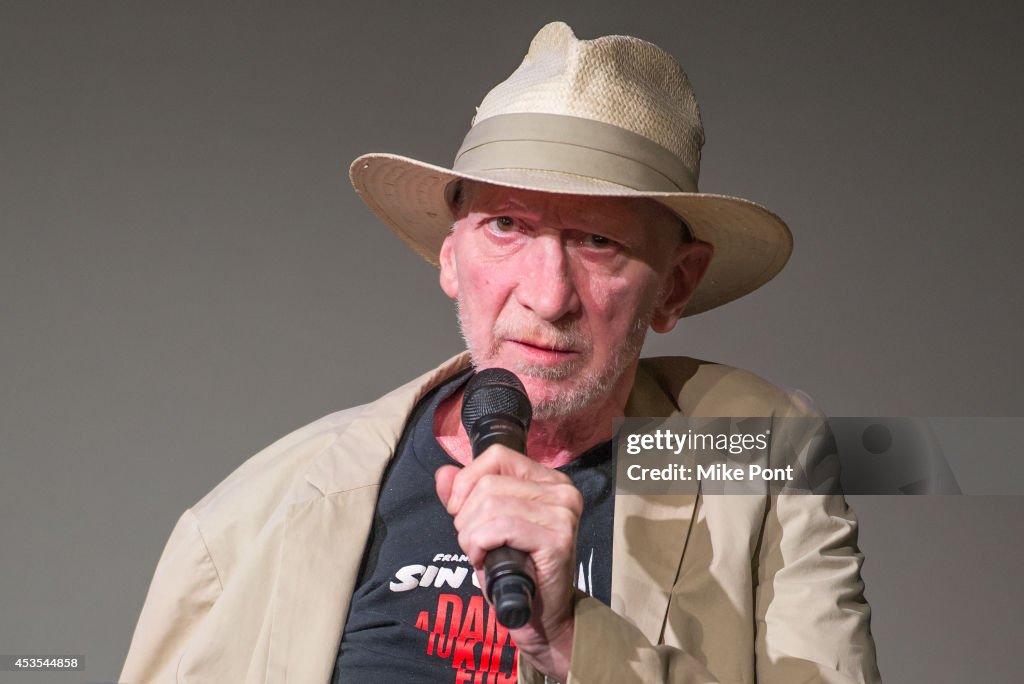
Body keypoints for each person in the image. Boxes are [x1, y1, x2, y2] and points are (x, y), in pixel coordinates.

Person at [120, 22, 880, 683]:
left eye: (597, 241)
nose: (547, 296)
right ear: (451, 256)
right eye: (508, 227)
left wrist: (571, 637)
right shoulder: (258, 515)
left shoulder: (754, 458)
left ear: (675, 286)